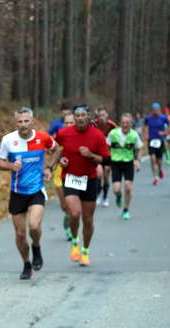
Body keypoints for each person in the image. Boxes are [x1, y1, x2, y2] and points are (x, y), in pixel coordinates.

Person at [0, 107, 56, 279]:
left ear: (32, 121)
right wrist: (10, 166)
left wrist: (49, 168)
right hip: (17, 192)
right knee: (20, 234)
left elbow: (57, 149)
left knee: (34, 226)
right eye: (20, 122)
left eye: (26, 121)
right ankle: (26, 264)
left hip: (36, 190)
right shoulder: (8, 140)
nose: (23, 125)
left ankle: (36, 246)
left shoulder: (42, 138)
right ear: (16, 123)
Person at [53, 105, 111, 267]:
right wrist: (60, 160)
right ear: (74, 117)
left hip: (90, 180)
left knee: (88, 219)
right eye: (77, 115)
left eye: (83, 115)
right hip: (70, 177)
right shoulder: (64, 133)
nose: (79, 118)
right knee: (74, 213)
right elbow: (56, 149)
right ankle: (74, 241)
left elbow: (107, 160)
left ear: (88, 117)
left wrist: (91, 155)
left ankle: (85, 250)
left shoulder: (97, 136)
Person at [106, 113, 143, 220]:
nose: (125, 125)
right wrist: (107, 162)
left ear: (131, 123)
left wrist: (137, 160)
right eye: (123, 123)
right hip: (115, 163)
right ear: (120, 123)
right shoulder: (113, 133)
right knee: (116, 189)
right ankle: (118, 196)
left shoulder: (134, 135)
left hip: (128, 163)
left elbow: (139, 148)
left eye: (127, 123)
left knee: (128, 187)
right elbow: (106, 147)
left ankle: (126, 210)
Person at [52, 112, 76, 241]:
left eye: (71, 122)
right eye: (66, 123)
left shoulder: (80, 136)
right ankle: (68, 221)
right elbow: (51, 152)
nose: (69, 125)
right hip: (59, 174)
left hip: (74, 175)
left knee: (72, 206)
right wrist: (50, 167)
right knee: (65, 206)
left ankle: (71, 229)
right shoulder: (59, 137)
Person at [91, 106, 117, 206]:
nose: (101, 117)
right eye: (100, 115)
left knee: (106, 174)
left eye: (103, 115)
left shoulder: (112, 126)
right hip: (96, 154)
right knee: (98, 174)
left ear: (107, 115)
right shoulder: (93, 123)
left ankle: (105, 197)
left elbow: (117, 139)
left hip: (108, 154)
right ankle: (98, 194)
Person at [143, 102, 170, 185]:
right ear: (152, 110)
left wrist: (164, 132)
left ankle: (160, 169)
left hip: (160, 140)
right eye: (154, 110)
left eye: (157, 110)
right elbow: (145, 126)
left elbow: (169, 126)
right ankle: (155, 177)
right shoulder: (148, 118)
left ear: (159, 110)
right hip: (151, 140)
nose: (156, 111)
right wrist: (146, 134)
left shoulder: (163, 117)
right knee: (152, 159)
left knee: (159, 160)